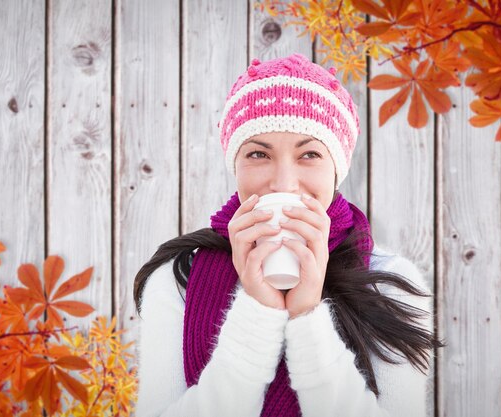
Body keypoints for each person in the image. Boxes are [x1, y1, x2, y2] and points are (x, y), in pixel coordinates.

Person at [132, 53, 443, 416]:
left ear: (336, 169)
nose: (283, 182)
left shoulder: (390, 283)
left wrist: (307, 314)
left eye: (309, 154)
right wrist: (258, 310)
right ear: (236, 165)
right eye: (259, 154)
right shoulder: (176, 279)